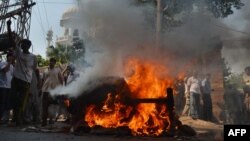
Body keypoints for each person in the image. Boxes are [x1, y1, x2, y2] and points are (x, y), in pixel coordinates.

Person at [41, 58, 63, 126]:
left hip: (54, 91)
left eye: (52, 62)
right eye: (50, 61)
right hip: (45, 90)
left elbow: (61, 79)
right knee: (44, 106)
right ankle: (44, 121)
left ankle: (51, 119)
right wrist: (40, 88)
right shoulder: (45, 71)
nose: (51, 63)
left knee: (53, 106)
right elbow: (43, 80)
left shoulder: (57, 70)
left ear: (55, 63)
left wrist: (61, 88)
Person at [0, 53, 14, 123]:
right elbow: (5, 70)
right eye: (10, 57)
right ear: (7, 57)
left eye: (12, 57)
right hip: (2, 87)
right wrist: (9, 63)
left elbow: (12, 76)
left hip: (9, 87)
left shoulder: (12, 66)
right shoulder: (2, 63)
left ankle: (5, 119)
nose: (11, 58)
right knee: (2, 103)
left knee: (7, 104)